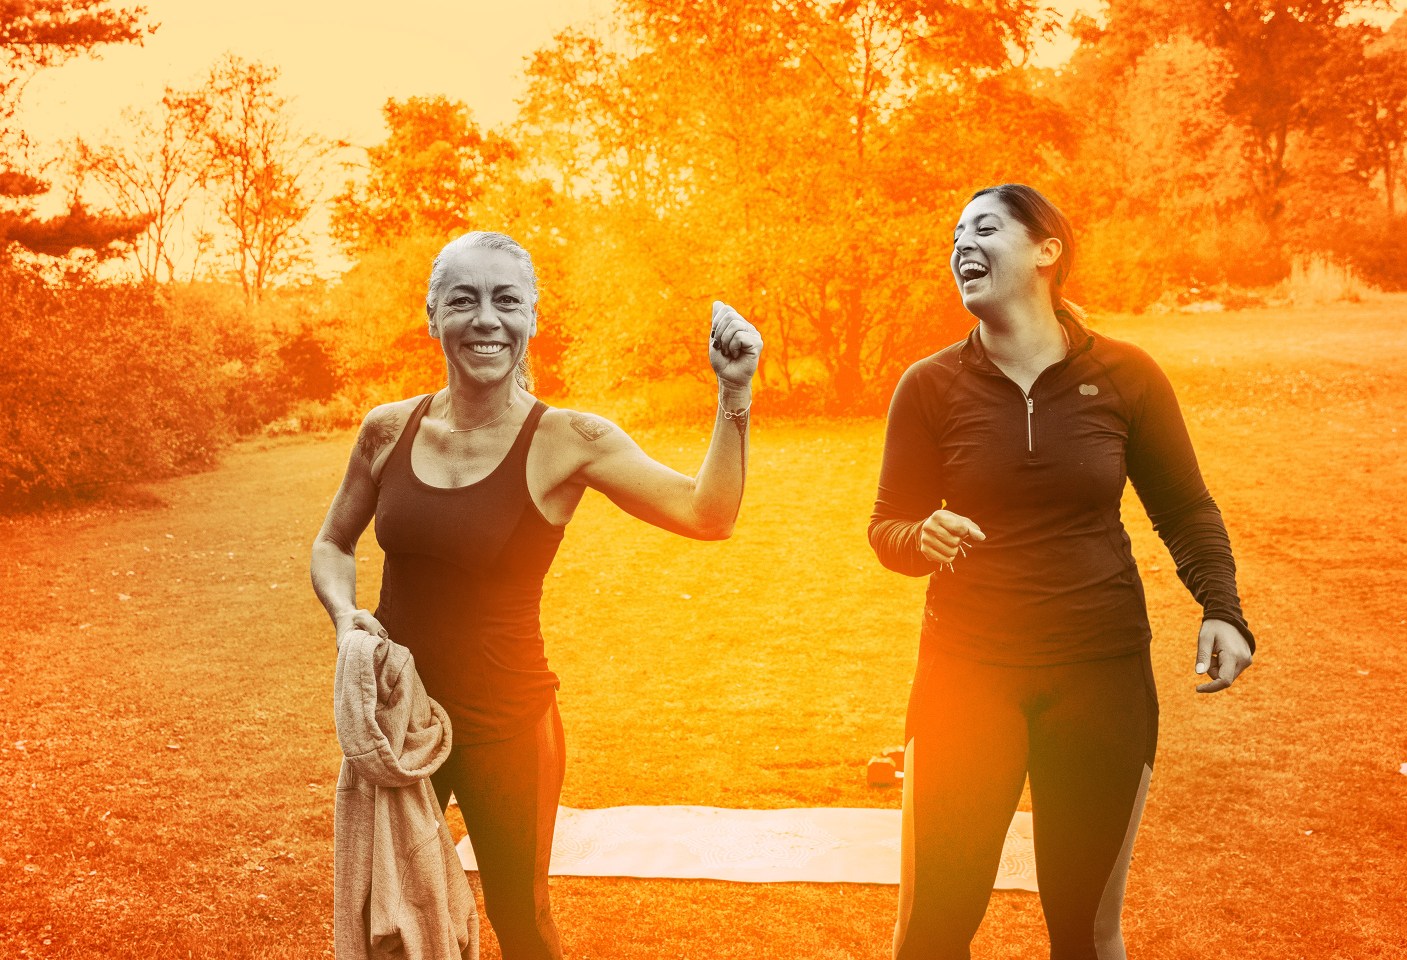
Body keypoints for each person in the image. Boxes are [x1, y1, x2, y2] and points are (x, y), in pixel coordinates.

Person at [311, 231, 762, 960]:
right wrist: (346, 622)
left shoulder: (569, 440)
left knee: (522, 922)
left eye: (505, 300)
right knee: (388, 911)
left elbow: (707, 514)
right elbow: (332, 543)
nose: (485, 318)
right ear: (432, 317)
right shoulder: (386, 429)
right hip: (401, 716)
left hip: (507, 726)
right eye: (463, 300)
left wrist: (733, 393)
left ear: (532, 319)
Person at [868, 184, 1254, 960]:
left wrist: (1222, 606)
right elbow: (887, 528)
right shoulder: (930, 384)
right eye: (954, 236)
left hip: (1100, 674)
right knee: (933, 928)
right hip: (965, 675)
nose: (961, 247)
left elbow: (1184, 506)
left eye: (984, 229)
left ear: (1048, 252)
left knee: (1085, 929)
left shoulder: (1126, 376)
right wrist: (921, 535)